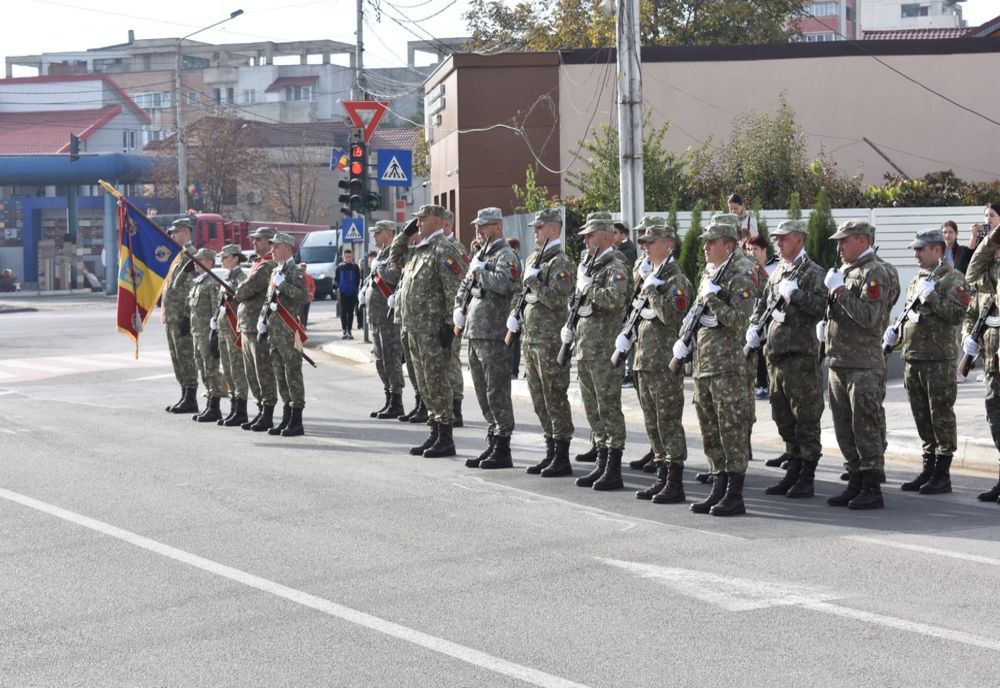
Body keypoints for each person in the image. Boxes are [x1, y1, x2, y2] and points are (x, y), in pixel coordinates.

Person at [673, 213, 756, 516]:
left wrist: (715, 301)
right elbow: (699, 314)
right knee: (710, 430)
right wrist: (685, 338)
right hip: (705, 365)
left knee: (730, 430)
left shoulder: (742, 272)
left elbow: (738, 320)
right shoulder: (711, 273)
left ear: (729, 244)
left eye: (712, 242)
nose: (706, 247)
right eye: (705, 242)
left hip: (728, 367)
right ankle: (718, 487)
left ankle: (735, 494)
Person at [819, 220, 900, 510]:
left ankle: (871, 486)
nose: (839, 246)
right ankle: (854, 479)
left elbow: (868, 316)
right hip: (839, 360)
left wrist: (840, 291)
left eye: (845, 240)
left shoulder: (876, 271)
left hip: (863, 364)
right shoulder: (847, 271)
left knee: (865, 424)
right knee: (844, 426)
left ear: (864, 241)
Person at [884, 229, 969, 495]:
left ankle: (942, 473)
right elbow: (912, 314)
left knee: (940, 415)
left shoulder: (953, 278)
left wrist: (932, 296)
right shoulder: (919, 278)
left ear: (937, 250)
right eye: (915, 249)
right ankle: (929, 467)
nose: (916, 254)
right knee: (921, 416)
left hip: (938, 360)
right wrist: (895, 334)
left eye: (921, 249)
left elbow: (957, 314)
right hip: (914, 358)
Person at [747, 219, 827, 498]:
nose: (778, 244)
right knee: (783, 417)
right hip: (776, 358)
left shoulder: (813, 273)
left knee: (805, 418)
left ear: (799, 241)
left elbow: (821, 308)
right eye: (777, 239)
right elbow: (765, 304)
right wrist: (754, 327)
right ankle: (792, 468)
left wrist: (798, 296)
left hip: (800, 359)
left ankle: (807, 474)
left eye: (784, 239)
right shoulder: (779, 271)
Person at [621, 217, 693, 504]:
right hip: (644, 360)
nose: (646, 248)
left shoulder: (675, 280)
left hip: (664, 363)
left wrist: (651, 289)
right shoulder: (648, 275)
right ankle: (661, 476)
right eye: (644, 243)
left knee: (668, 422)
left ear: (668, 244)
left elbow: (673, 317)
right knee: (652, 422)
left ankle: (675, 482)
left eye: (651, 243)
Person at [561, 211, 631, 491]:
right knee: (593, 409)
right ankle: (601, 461)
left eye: (590, 235)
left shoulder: (616, 265)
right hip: (586, 347)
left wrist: (589, 289)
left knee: (608, 407)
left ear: (604, 235)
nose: (586, 240)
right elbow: (579, 301)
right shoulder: (588, 266)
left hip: (604, 349)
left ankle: (613, 468)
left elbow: (614, 300)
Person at [396, 205, 467, 458]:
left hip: (434, 331)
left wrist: (450, 325)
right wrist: (404, 235)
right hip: (415, 330)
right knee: (424, 384)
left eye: (422, 219)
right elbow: (396, 258)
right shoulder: (419, 250)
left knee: (437, 383)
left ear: (437, 221)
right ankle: (434, 432)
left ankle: (446, 437)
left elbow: (455, 291)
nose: (418, 223)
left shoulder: (444, 251)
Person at [510, 207, 576, 477]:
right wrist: (515, 314)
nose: (535, 232)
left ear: (554, 229)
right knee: (539, 398)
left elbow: (557, 300)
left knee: (554, 397)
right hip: (531, 339)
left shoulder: (561, 262)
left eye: (540, 227)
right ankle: (550, 450)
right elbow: (524, 293)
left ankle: (561, 455)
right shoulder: (534, 258)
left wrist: (535, 284)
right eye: (535, 228)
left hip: (550, 342)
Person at [456, 207, 521, 469]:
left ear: (497, 226)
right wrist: (458, 307)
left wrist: (480, 271)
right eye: (477, 226)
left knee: (497, 391)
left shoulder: (507, 255)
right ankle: (493, 439)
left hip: (494, 334)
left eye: (483, 226)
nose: (478, 231)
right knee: (483, 391)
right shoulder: (481, 255)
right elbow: (466, 284)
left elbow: (505, 284)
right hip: (475, 332)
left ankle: (503, 446)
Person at [962, 208, 1000, 504]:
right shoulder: (992, 277)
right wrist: (990, 242)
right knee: (995, 420)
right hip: (993, 364)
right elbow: (972, 275)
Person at [260, 232, 309, 437]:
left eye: (276, 246)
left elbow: (303, 297)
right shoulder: (276, 271)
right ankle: (286, 416)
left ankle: (296, 420)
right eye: (272, 246)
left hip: (289, 333)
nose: (272, 249)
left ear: (288, 248)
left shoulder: (294, 271)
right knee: (280, 375)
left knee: (292, 374)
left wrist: (284, 285)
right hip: (274, 332)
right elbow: (269, 300)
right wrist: (262, 320)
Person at [235, 227, 279, 432]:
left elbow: (244, 290)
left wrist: (239, 290)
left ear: (270, 243)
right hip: (247, 325)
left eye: (258, 240)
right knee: (251, 372)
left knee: (262, 372)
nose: (253, 243)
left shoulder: (267, 266)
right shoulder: (257, 264)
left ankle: (267, 412)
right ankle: (261, 409)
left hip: (258, 326)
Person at [366, 220, 406, 419]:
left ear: (389, 233)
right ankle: (388, 397)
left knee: (391, 358)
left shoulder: (395, 252)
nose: (374, 236)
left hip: (388, 317)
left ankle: (396, 400)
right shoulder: (382, 254)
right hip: (376, 316)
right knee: (380, 360)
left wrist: (378, 268)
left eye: (378, 232)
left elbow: (396, 276)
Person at [160, 218, 200, 415]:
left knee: (186, 356)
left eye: (175, 232)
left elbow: (191, 288)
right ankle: (184, 393)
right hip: (173, 315)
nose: (172, 236)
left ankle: (191, 397)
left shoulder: (193, 256)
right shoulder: (178, 256)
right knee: (177, 356)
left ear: (185, 232)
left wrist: (186, 315)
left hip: (182, 316)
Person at [187, 248, 225, 423]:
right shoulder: (198, 282)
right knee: (202, 368)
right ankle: (209, 403)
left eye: (199, 259)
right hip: (197, 333)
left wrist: (215, 336)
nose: (195, 262)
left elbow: (216, 311)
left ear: (209, 262)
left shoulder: (211, 283)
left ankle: (214, 406)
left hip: (207, 334)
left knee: (210, 369)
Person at [215, 244, 249, 427]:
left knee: (237, 370)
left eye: (225, 256)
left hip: (233, 328)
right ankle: (234, 408)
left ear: (236, 258)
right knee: (228, 370)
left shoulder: (241, 277)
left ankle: (241, 410)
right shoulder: (227, 276)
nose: (221, 260)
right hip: (223, 328)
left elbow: (240, 299)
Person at [745, 234, 778, 400]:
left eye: (755, 249)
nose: (751, 252)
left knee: (767, 349)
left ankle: (770, 385)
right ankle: (759, 384)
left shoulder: (775, 267)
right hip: (752, 314)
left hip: (771, 315)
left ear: (764, 250)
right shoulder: (746, 268)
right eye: (749, 249)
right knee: (753, 349)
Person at [443, 209, 467, 426]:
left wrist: (453, 316)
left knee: (451, 360)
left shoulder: (455, 249)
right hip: (436, 317)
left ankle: (456, 408)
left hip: (451, 316)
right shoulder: (435, 248)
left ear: (447, 225)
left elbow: (458, 286)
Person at [333, 248, 362, 339]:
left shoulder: (355, 267)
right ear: (343, 257)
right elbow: (336, 279)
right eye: (346, 257)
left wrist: (357, 290)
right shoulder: (339, 267)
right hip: (343, 292)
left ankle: (349, 330)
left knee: (351, 312)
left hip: (352, 292)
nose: (348, 258)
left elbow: (358, 279)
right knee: (343, 311)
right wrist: (334, 287)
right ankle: (344, 330)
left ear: (352, 257)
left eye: (350, 257)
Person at [507, 237, 523, 380]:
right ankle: (511, 369)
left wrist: (515, 309)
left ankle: (513, 370)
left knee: (514, 340)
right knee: (511, 340)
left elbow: (517, 287)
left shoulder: (515, 262)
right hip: (510, 306)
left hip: (514, 307)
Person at [298, 263, 316, 328]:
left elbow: (313, 286)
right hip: (300, 297)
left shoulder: (309, 277)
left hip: (307, 298)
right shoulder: (296, 276)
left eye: (304, 269)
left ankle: (304, 325)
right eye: (301, 268)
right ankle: (302, 325)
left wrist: (311, 293)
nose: (302, 270)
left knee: (306, 312)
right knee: (301, 312)